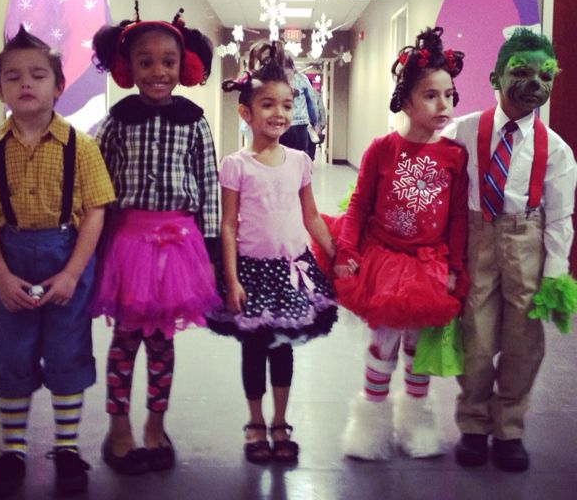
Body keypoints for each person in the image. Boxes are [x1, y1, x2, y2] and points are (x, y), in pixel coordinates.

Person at [0, 26, 115, 498]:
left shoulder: (81, 147)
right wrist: (0, 274)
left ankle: (66, 449)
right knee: (11, 353)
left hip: (67, 261)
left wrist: (73, 273)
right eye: (13, 77)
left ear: (58, 85)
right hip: (12, 261)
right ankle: (13, 451)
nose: (25, 83)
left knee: (68, 351)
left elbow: (96, 211)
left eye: (37, 75)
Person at [90, 7, 221, 476]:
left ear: (182, 66)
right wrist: (95, 242)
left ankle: (156, 425)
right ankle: (118, 426)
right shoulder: (116, 121)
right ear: (128, 68)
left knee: (163, 342)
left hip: (179, 245)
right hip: (128, 242)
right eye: (145, 62)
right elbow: (96, 180)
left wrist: (210, 255)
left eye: (168, 62)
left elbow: (208, 187)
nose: (158, 72)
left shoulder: (196, 122)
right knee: (125, 339)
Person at [443, 29, 576, 472]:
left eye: (545, 74)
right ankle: (475, 424)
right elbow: (433, 178)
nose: (534, 82)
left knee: (524, 339)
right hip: (476, 236)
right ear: (495, 77)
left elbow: (559, 216)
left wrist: (556, 272)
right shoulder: (461, 132)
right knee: (476, 334)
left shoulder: (556, 150)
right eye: (521, 71)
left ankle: (510, 428)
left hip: (528, 239)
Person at [333, 27, 469, 460]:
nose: (443, 104)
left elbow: (458, 219)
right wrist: (348, 251)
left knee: (418, 350)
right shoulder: (382, 149)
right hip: (384, 264)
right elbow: (358, 205)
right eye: (431, 95)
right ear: (406, 101)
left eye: (448, 95)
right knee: (383, 345)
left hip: (428, 265)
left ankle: (416, 424)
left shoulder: (454, 156)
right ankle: (369, 426)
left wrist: (455, 267)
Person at [206, 39, 338, 464]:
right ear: (246, 112)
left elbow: (312, 216)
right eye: (267, 105)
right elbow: (228, 225)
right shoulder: (235, 165)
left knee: (282, 350)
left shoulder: (299, 160)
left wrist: (336, 253)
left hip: (291, 270)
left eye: (285, 104)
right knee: (253, 349)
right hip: (251, 271)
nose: (278, 113)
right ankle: (255, 422)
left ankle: (281, 421)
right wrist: (231, 278)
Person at [279, 54, 317, 157]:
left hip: (281, 124)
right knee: (301, 158)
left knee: (281, 158)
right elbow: (311, 101)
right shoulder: (302, 78)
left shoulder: (276, 78)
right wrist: (313, 121)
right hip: (300, 124)